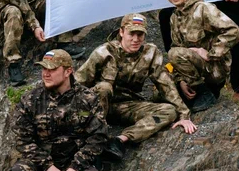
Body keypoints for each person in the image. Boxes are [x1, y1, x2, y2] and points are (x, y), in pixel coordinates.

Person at [76, 13, 197, 160]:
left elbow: (165, 84)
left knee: (169, 111)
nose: (135, 39)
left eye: (140, 34)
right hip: (97, 106)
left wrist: (184, 115)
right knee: (104, 88)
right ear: (121, 32)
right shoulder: (104, 52)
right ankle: (96, 139)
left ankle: (120, 140)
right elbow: (77, 84)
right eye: (131, 33)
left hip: (125, 106)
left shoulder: (150, 53)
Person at [159, 0, 239, 112]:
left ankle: (204, 93)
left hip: (215, 68)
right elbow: (177, 47)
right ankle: (194, 88)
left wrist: (210, 54)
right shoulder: (174, 17)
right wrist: (181, 80)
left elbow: (233, 31)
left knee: (174, 53)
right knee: (160, 90)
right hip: (195, 70)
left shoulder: (203, 8)